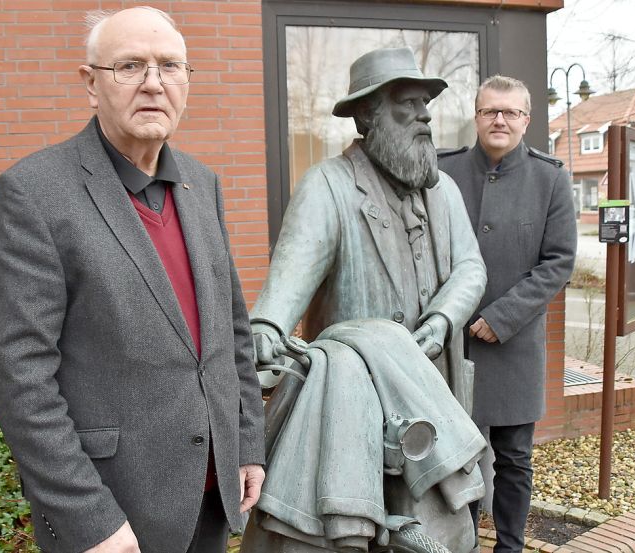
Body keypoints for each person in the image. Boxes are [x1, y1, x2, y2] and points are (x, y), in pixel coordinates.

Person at [0, 7, 265, 553]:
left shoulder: (202, 186)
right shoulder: (34, 193)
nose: (154, 84)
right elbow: (20, 375)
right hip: (112, 514)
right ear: (91, 84)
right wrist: (88, 518)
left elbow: (232, 334)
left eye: (170, 66)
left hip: (210, 495)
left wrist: (246, 442)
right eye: (130, 66)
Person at [246, 47, 487, 552]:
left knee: (438, 526)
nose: (424, 115)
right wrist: (267, 326)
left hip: (433, 392)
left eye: (426, 103)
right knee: (357, 533)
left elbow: (471, 266)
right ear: (366, 115)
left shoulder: (443, 192)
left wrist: (443, 318)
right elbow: (293, 270)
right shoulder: (327, 187)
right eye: (408, 103)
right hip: (356, 407)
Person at [438, 75, 577, 553]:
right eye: (489, 111)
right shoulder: (443, 172)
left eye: (510, 112)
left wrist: (502, 317)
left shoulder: (551, 177)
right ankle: (462, 543)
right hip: (451, 345)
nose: (499, 119)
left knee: (515, 458)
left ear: (526, 120)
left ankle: (510, 546)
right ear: (476, 117)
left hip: (516, 347)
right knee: (457, 456)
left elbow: (558, 261)